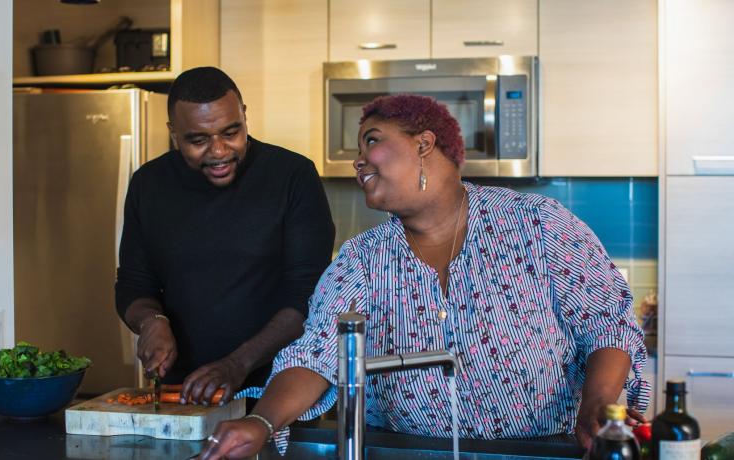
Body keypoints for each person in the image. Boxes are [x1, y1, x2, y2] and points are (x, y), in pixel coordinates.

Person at [197, 94, 650, 459]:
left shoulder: (538, 223)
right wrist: (261, 421)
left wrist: (597, 405)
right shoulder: (362, 259)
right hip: (406, 451)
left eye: (371, 141)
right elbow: (316, 354)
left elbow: (605, 322)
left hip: (541, 450)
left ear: (424, 143)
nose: (359, 162)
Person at [114, 67, 335, 404]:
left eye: (231, 132)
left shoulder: (292, 176)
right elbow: (133, 283)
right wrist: (151, 322)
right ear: (174, 133)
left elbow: (309, 296)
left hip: (281, 392)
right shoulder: (149, 184)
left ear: (244, 116)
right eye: (198, 140)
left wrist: (237, 364)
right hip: (184, 392)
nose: (218, 151)